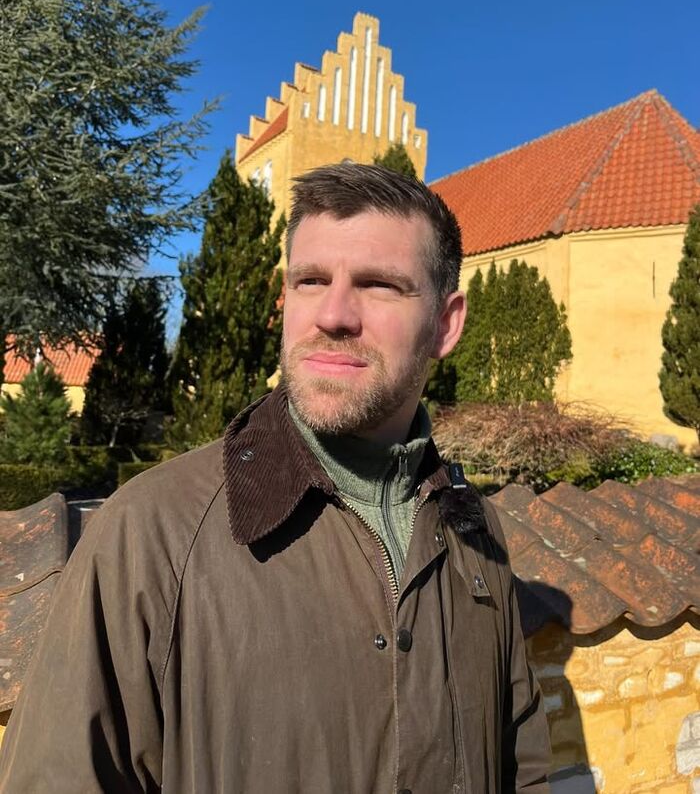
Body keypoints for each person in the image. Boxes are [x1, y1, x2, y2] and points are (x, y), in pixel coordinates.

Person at [0, 163, 550, 793]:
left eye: (379, 285)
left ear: (446, 325)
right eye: (310, 280)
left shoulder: (474, 529)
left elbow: (524, 760)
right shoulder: (150, 534)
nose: (333, 314)